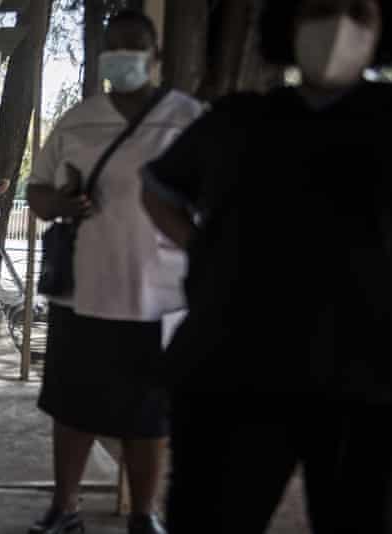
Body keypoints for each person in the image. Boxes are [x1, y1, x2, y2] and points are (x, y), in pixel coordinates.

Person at [142, 1, 392, 532]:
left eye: (359, 12)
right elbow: (158, 190)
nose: (338, 26)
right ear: (290, 24)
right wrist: (204, 247)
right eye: (320, 7)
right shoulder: (239, 121)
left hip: (370, 378)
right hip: (234, 369)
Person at [26, 11, 202, 534]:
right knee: (71, 408)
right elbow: (37, 193)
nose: (123, 54)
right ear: (101, 54)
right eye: (114, 45)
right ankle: (65, 508)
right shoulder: (78, 121)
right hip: (82, 293)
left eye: (135, 45)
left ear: (157, 57)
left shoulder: (190, 120)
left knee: (149, 418)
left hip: (159, 298)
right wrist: (61, 202)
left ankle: (145, 513)